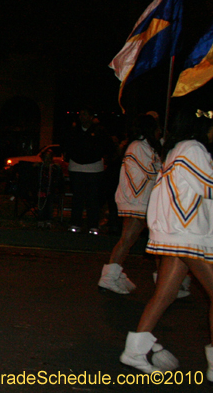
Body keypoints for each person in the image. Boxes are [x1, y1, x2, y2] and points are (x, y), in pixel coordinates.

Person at [119, 107, 213, 379]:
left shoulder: (177, 149)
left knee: (164, 295)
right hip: (187, 234)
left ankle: (135, 351)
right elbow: (208, 186)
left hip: (175, 233)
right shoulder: (194, 149)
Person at [98, 114, 161, 294]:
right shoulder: (138, 146)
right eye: (156, 128)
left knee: (152, 242)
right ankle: (166, 280)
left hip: (140, 202)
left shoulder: (144, 146)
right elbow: (148, 172)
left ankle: (112, 275)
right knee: (147, 241)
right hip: (138, 202)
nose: (159, 131)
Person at [64, 106, 110, 234]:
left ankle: (93, 225)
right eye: (81, 114)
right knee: (78, 197)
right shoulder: (74, 130)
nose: (82, 117)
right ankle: (75, 223)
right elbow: (68, 145)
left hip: (94, 169)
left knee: (93, 198)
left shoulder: (99, 131)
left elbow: (106, 146)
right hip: (76, 167)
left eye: (85, 114)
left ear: (91, 117)